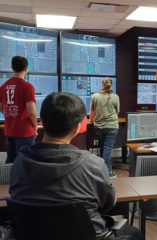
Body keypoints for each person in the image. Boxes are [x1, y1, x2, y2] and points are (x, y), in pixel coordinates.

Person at [9, 92, 142, 240]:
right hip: (90, 235)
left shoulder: (19, 162)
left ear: (42, 123)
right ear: (77, 128)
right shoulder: (94, 165)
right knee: (135, 233)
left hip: (32, 235)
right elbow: (108, 204)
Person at [0, 56, 37, 163]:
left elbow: (1, 108)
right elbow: (32, 112)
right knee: (25, 163)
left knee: (10, 162)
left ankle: (10, 180)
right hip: (24, 132)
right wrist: (34, 127)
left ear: (12, 67)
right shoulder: (27, 86)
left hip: (9, 130)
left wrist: (10, 115)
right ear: (26, 68)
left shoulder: (4, 86)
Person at [90, 77, 120, 177]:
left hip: (99, 126)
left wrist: (91, 120)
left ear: (101, 85)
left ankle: (106, 172)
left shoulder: (95, 96)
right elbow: (117, 112)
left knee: (102, 148)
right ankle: (107, 172)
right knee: (106, 149)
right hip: (112, 126)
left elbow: (92, 112)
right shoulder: (115, 97)